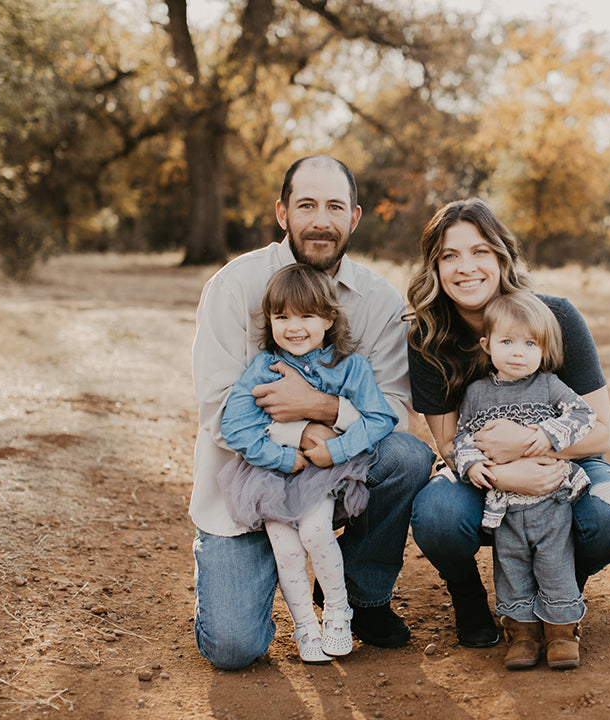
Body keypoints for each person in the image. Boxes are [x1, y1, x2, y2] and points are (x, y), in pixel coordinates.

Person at [191, 155, 434, 671]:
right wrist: (300, 433)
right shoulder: (234, 286)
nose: (321, 220)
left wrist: (319, 405)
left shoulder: (378, 300)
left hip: (331, 472)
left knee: (408, 456)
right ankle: (245, 579)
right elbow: (218, 409)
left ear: (354, 217)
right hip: (250, 481)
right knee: (234, 648)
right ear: (283, 213)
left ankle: (358, 597)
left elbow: (390, 408)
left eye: (334, 206)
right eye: (306, 205)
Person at [405, 198, 610, 658]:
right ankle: (468, 594)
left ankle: (559, 593)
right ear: (434, 266)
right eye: (449, 255)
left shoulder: (553, 315)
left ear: (501, 256)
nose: (465, 267)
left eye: (479, 252)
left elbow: (601, 433)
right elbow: (449, 444)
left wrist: (536, 450)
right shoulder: (427, 336)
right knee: (437, 515)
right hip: (484, 473)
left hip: (563, 464)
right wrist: (504, 474)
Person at [218, 263, 398, 663]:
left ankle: (337, 611)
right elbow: (236, 427)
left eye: (306, 316)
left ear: (329, 318)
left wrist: (335, 450)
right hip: (272, 474)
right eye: (281, 316)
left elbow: (381, 418)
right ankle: (304, 626)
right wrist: (282, 456)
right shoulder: (262, 369)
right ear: (269, 320)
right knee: (285, 546)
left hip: (325, 472)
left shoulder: (348, 366)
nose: (293, 327)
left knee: (316, 532)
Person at [453, 291, 596, 669]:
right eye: (507, 342)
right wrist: (470, 465)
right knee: (511, 564)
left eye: (530, 343)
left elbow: (584, 414)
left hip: (551, 500)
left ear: (544, 349)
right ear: (487, 346)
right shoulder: (477, 393)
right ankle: (523, 633)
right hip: (504, 505)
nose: (519, 352)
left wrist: (550, 435)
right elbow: (463, 435)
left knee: (554, 562)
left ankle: (562, 632)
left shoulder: (549, 385)